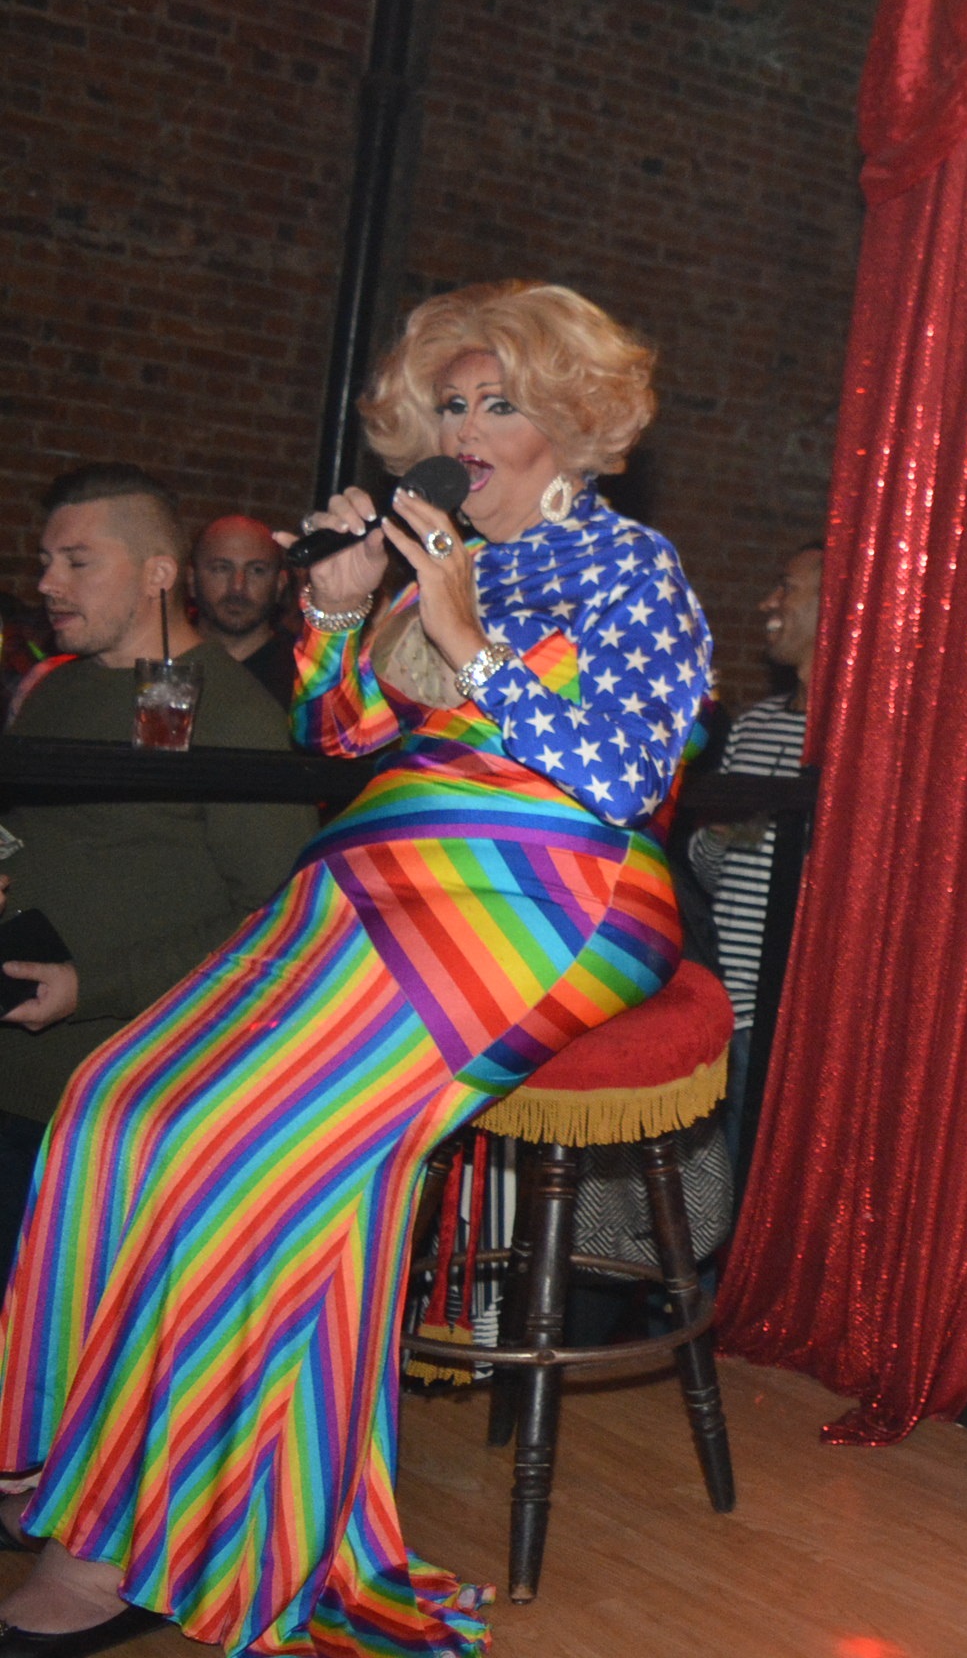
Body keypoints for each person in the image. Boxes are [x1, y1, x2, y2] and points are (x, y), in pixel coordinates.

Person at [0, 283, 709, 1654]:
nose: (467, 428)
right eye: (450, 405)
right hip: (371, 875)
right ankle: (70, 1455)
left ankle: (132, 1541)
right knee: (122, 1098)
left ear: (570, 421)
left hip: (544, 884)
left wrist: (465, 634)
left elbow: (623, 771)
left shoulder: (631, 566)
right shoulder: (450, 558)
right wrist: (337, 610)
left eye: (499, 402)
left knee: (251, 1144)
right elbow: (338, 738)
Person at [0, 468, 314, 1285]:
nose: (48, 584)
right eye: (45, 562)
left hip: (106, 1104)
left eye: (77, 562)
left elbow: (274, 918)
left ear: (158, 574)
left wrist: (92, 986)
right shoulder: (55, 688)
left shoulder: (236, 716)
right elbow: (24, 830)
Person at [687, 540, 819, 1158]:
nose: (769, 602)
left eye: (787, 587)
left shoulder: (861, 737)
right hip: (726, 1005)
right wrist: (715, 839)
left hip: (795, 1012)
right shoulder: (753, 725)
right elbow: (708, 874)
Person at [187, 513, 296, 707]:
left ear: (280, 584)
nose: (238, 587)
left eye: (257, 570)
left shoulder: (303, 678)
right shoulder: (162, 662)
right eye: (221, 568)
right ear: (191, 579)